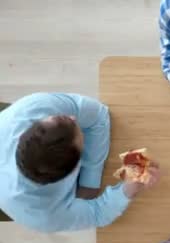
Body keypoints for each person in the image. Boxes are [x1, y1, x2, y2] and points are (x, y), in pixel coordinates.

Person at [0, 93, 160, 232]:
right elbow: (99, 214)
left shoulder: (34, 107)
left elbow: (99, 115)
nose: (73, 117)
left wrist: (90, 182)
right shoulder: (43, 215)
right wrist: (128, 187)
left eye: (59, 118)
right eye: (80, 136)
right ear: (74, 170)